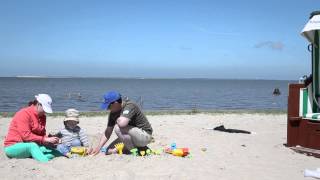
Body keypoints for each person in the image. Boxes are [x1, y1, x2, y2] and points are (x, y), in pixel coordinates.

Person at [91, 91, 153, 155]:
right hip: (130, 137)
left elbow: (122, 124)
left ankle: (134, 151)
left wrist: (116, 118)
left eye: (108, 106)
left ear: (115, 103)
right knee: (109, 151)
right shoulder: (113, 113)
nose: (107, 108)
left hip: (145, 135)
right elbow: (108, 132)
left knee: (118, 128)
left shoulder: (130, 105)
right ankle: (141, 149)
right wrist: (99, 147)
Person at [3, 94, 61, 162]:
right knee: (32, 146)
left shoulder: (43, 117)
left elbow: (41, 135)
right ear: (38, 104)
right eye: (44, 109)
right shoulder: (24, 113)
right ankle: (46, 161)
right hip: (13, 146)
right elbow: (26, 136)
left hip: (31, 145)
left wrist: (50, 140)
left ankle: (61, 157)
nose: (45, 112)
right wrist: (45, 139)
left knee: (50, 149)